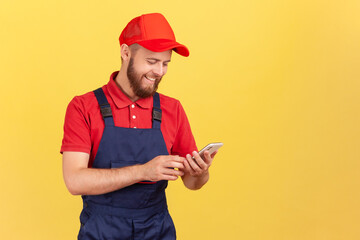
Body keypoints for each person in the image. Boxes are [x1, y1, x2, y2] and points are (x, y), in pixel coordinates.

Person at [61, 13, 217, 240]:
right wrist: (143, 171)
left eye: (165, 64)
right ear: (125, 53)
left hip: (158, 230)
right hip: (101, 232)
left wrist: (201, 172)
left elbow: (192, 183)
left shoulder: (172, 109)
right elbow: (75, 181)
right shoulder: (83, 107)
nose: (159, 72)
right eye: (152, 62)